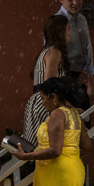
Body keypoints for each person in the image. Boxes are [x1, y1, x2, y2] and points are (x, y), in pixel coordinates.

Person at [24, 15, 70, 146]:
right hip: (46, 103)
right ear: (60, 32)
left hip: (39, 102)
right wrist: (70, 107)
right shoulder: (54, 52)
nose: (70, 31)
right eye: (67, 28)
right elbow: (50, 84)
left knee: (37, 147)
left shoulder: (46, 51)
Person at [55, 0, 94, 105]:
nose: (75, 3)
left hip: (81, 76)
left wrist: (90, 83)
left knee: (84, 119)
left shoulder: (82, 19)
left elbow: (88, 50)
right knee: (69, 121)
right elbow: (53, 54)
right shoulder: (58, 22)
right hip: (64, 76)